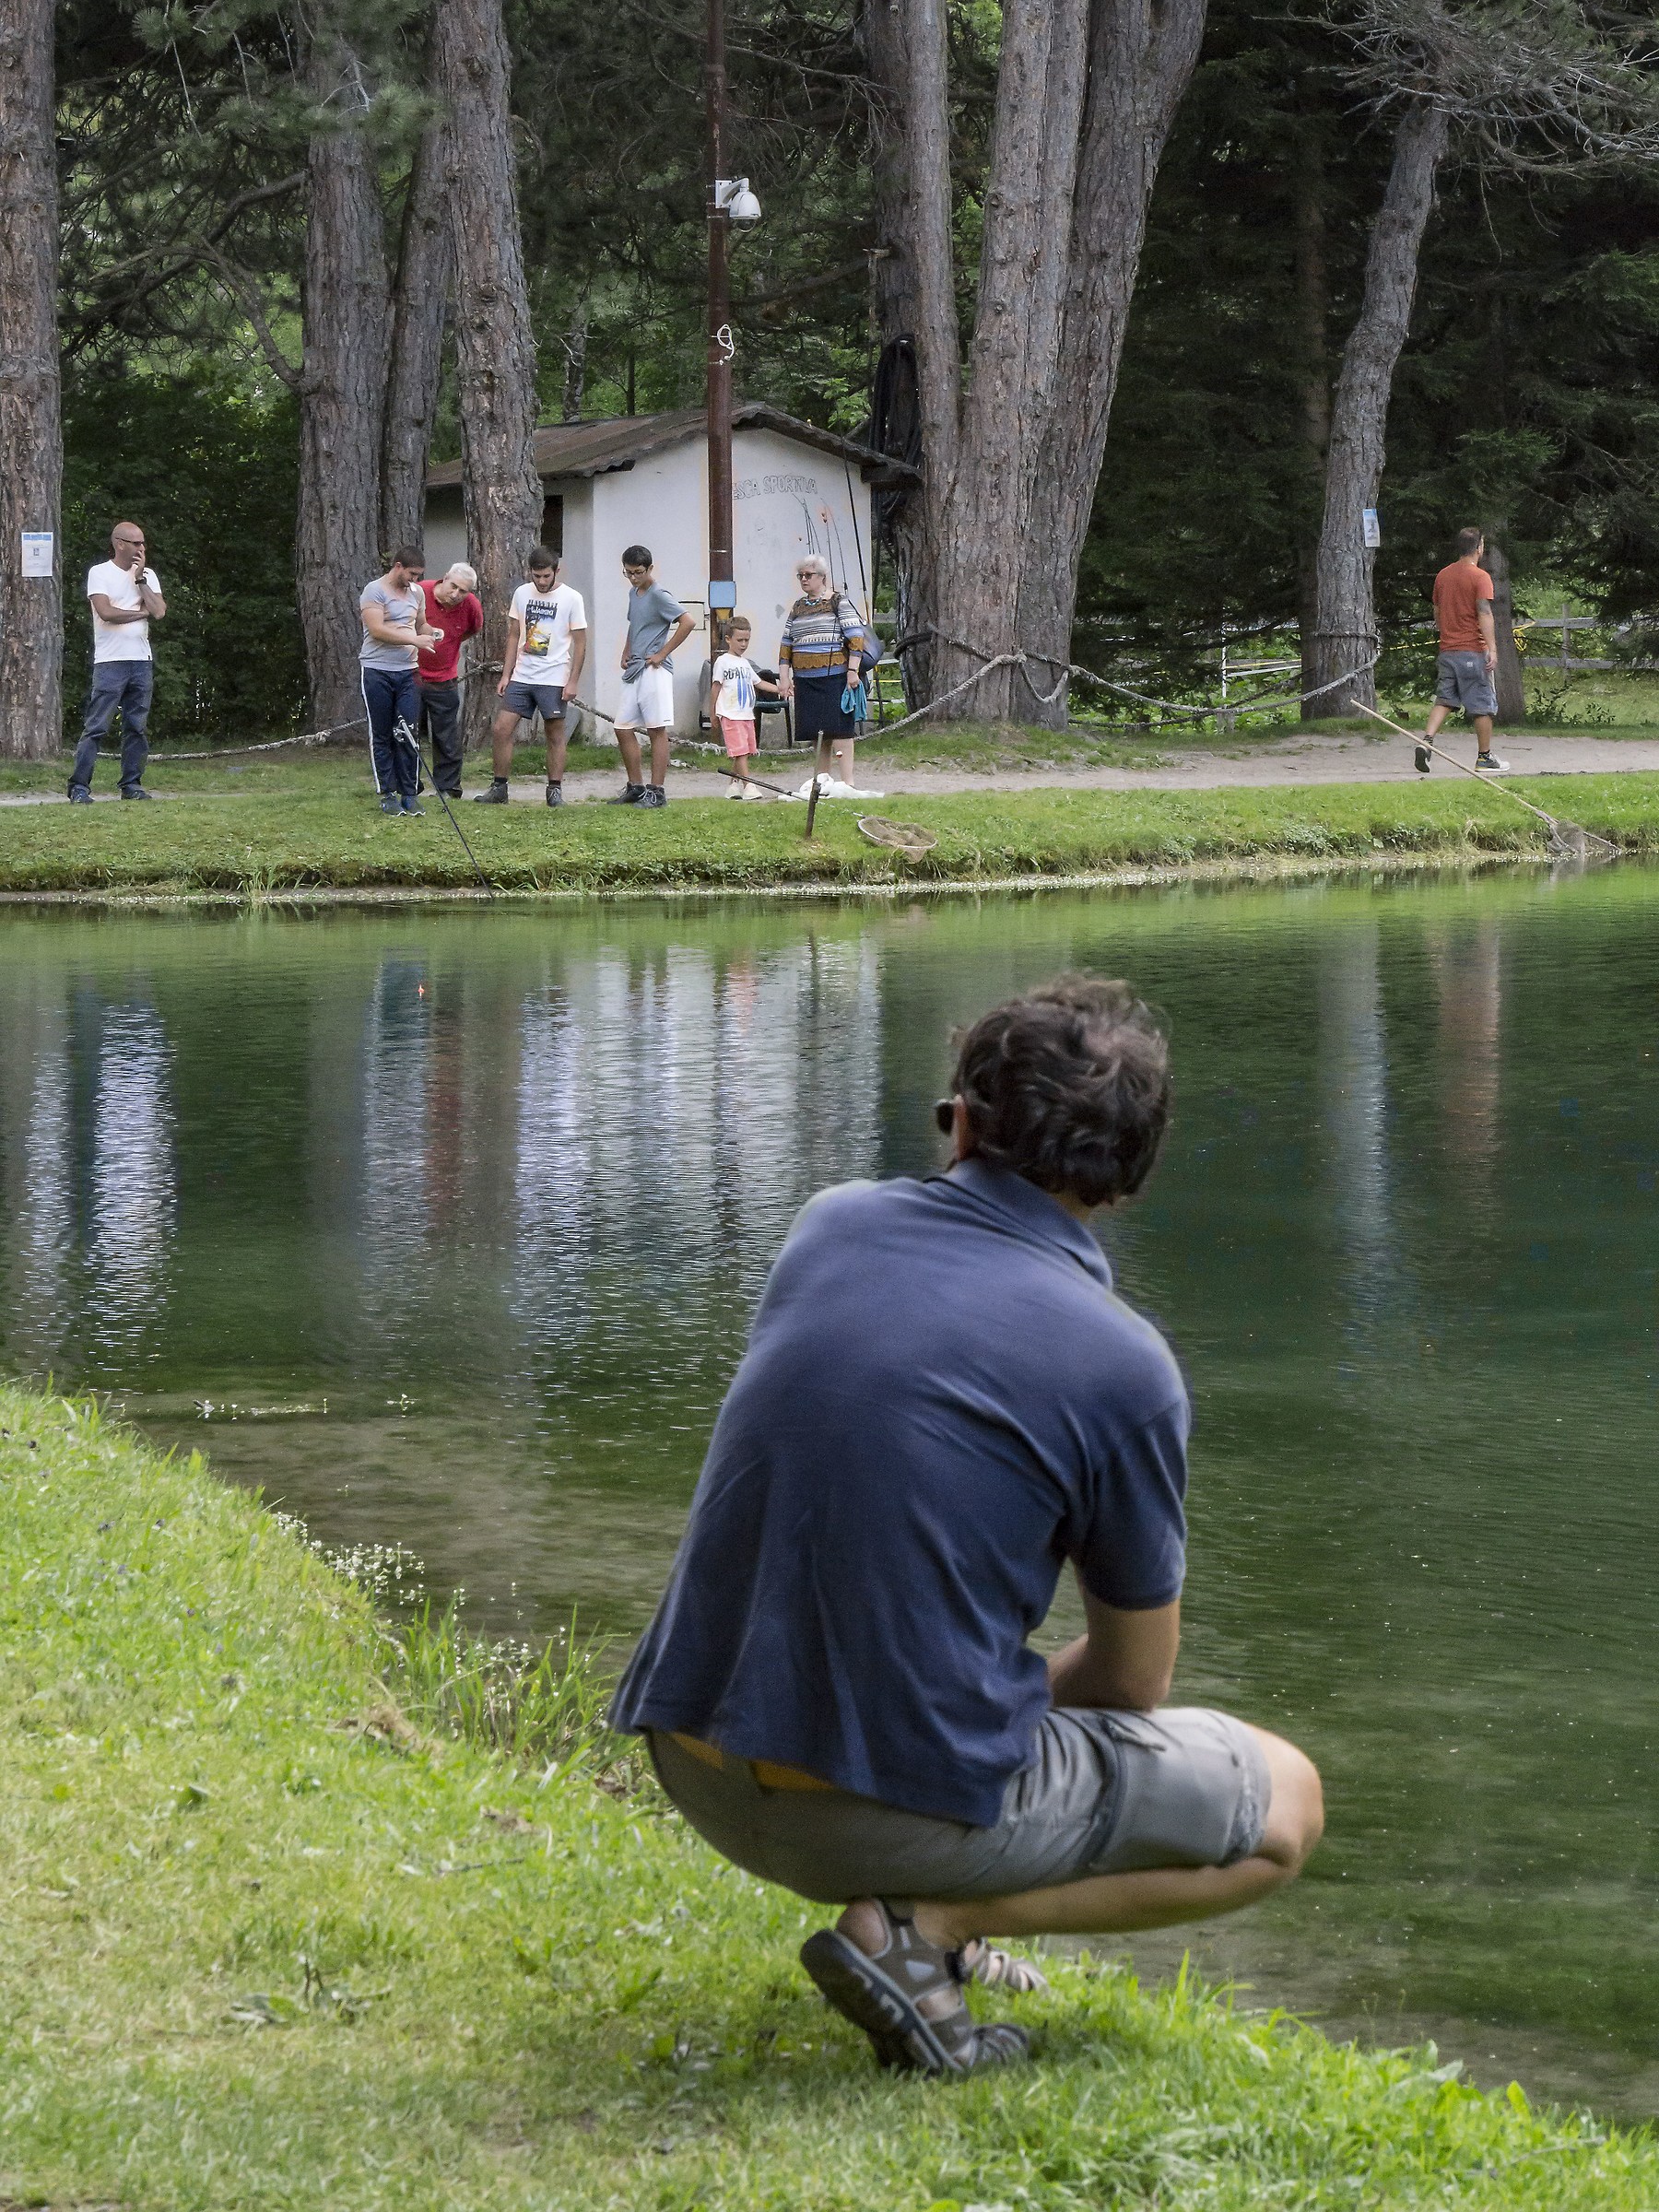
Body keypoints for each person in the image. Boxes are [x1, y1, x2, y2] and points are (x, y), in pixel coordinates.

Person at [610, 976, 1324, 2079]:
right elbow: (1135, 1682)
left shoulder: (830, 1224)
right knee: (1287, 1801)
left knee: (959, 1679)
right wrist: (992, 1708)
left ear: (961, 1122)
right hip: (851, 1817)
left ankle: (928, 1913)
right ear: (1128, 1179)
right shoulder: (1124, 1365)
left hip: (696, 1758)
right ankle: (922, 1931)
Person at [475, 547, 588, 807]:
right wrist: (507, 674)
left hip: (554, 674)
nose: (542, 581)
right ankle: (499, 787)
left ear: (556, 572)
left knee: (554, 733)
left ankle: (555, 789)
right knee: (502, 728)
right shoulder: (522, 593)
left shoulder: (572, 598)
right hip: (523, 674)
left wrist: (572, 681)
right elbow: (514, 634)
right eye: (537, 576)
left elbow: (581, 643)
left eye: (546, 576)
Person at [68, 522, 167, 803]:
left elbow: (159, 611)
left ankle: (132, 785)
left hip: (141, 661)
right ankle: (79, 787)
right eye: (136, 543)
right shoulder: (99, 573)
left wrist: (140, 580)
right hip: (110, 662)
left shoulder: (147, 575)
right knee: (97, 726)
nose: (142, 549)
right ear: (119, 543)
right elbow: (106, 612)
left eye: (143, 543)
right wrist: (140, 613)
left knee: (136, 726)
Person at [1418, 528, 1509, 775]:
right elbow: (1484, 612)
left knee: (1445, 699)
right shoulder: (1480, 577)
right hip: (1472, 651)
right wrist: (1492, 648)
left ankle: (1426, 742)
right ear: (1479, 547)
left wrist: (1447, 631)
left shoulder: (1443, 576)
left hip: (1448, 651)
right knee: (1481, 705)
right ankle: (1484, 757)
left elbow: (1437, 611)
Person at [613, 546, 695, 808]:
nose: (633, 577)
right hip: (635, 668)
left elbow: (688, 622)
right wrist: (626, 651)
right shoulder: (633, 593)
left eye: (638, 572)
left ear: (650, 569)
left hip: (654, 670)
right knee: (622, 727)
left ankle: (657, 791)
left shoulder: (659, 594)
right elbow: (633, 624)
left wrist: (662, 653)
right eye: (628, 573)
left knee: (656, 729)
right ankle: (636, 787)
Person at [776, 555, 865, 794]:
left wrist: (852, 671)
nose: (804, 580)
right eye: (801, 576)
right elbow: (787, 643)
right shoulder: (798, 607)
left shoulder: (838, 601)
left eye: (808, 575)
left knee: (840, 730)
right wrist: (784, 677)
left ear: (822, 577)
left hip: (835, 675)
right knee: (817, 733)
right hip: (805, 679)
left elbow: (856, 637)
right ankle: (821, 781)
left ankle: (848, 783)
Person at [360, 549, 440, 817]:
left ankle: (410, 793)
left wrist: (432, 634)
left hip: (409, 671)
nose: (414, 580)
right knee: (382, 733)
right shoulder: (374, 591)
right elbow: (377, 630)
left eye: (418, 575)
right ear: (398, 566)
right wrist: (414, 640)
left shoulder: (416, 594)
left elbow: (421, 625)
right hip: (377, 670)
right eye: (412, 574)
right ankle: (387, 794)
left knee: (407, 731)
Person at [416, 561, 483, 798]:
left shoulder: (471, 607)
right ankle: (409, 783)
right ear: (444, 578)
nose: (456, 594)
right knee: (407, 731)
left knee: (446, 736)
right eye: (453, 586)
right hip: (411, 674)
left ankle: (448, 788)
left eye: (463, 591)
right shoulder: (419, 592)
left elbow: (472, 630)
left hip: (444, 677)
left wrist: (450, 644)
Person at [707, 617, 781, 797]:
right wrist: (713, 712)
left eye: (746, 640)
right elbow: (715, 687)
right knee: (739, 751)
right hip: (730, 713)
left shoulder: (745, 663)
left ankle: (733, 785)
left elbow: (759, 683)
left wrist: (782, 689)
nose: (743, 644)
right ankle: (749, 786)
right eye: (739, 640)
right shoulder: (722, 662)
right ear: (728, 639)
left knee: (744, 751)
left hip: (746, 713)